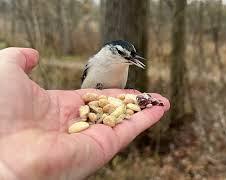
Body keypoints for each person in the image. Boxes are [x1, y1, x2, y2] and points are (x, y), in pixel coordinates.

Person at [0, 48, 170, 179]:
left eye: (131, 56)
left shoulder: (123, 66)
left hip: (108, 106)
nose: (130, 59)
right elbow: (85, 85)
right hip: (87, 97)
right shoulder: (95, 61)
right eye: (123, 54)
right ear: (110, 51)